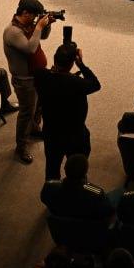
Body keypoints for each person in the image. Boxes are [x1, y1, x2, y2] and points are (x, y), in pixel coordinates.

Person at [35, 42, 100, 181]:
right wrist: (81, 65)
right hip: (75, 135)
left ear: (55, 59)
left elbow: (48, 73)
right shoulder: (77, 83)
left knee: (51, 171)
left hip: (52, 133)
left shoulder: (41, 76)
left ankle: (52, 192)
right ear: (72, 63)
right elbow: (96, 84)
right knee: (77, 172)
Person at [3, 0, 55, 165]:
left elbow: (42, 37)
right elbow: (31, 48)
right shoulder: (13, 32)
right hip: (24, 81)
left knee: (38, 105)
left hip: (37, 75)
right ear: (25, 13)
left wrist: (46, 25)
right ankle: (21, 147)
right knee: (26, 114)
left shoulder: (27, 25)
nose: (35, 19)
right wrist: (39, 26)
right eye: (34, 15)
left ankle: (34, 129)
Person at [40, 153, 113, 222]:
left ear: (64, 168)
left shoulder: (49, 186)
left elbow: (44, 199)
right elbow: (108, 211)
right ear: (85, 173)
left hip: (60, 227)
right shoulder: (97, 194)